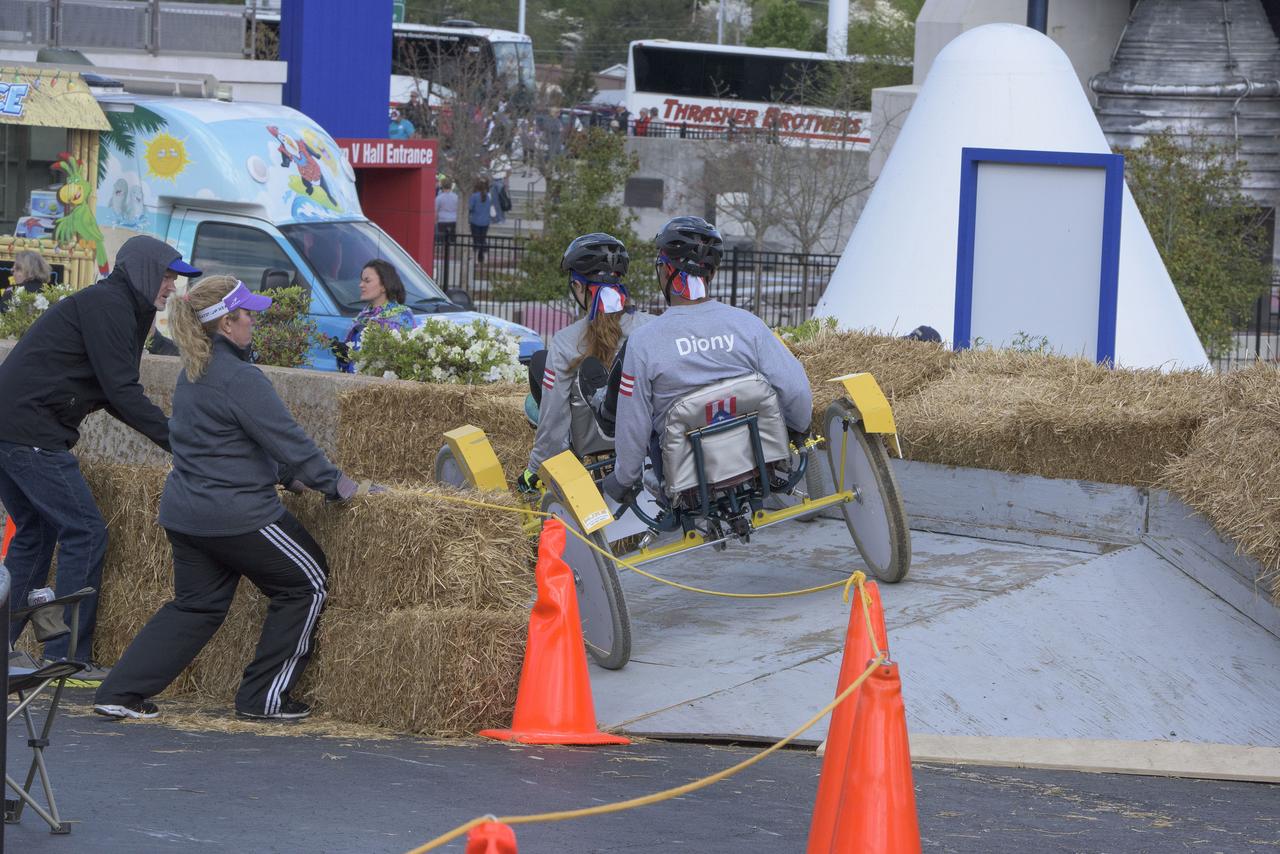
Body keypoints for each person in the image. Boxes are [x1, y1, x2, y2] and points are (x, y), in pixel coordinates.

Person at [93, 276, 372, 721]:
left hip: (185, 515)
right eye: (249, 314)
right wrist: (335, 484)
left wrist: (286, 477)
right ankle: (263, 698)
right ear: (227, 323)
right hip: (238, 515)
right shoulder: (240, 377)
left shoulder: (195, 373)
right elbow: (288, 440)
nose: (254, 322)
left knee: (195, 606)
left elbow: (224, 441)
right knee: (307, 582)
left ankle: (120, 692)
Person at [0, 235, 194, 683]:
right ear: (144, 272)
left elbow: (112, 391)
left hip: (14, 425)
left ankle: (11, 645)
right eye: (166, 276)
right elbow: (122, 391)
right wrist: (183, 444)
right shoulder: (110, 305)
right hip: (30, 430)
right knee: (84, 531)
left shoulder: (118, 305)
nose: (172, 287)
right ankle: (64, 655)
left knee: (35, 532)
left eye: (174, 279)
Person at [597, 217, 812, 503]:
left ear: (665, 271)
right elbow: (795, 389)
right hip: (758, 460)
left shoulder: (644, 342)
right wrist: (798, 428)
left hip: (685, 478)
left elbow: (632, 421)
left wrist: (624, 478)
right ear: (711, 273)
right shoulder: (749, 325)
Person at [519, 234, 651, 491]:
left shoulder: (565, 342)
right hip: (643, 436)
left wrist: (535, 469)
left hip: (591, 440)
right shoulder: (652, 327)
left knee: (539, 363)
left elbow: (553, 418)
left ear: (579, 287)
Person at [331, 259, 415, 373]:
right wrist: (343, 357)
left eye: (367, 281)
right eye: (361, 280)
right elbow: (351, 367)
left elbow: (396, 365)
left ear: (384, 286)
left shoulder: (401, 317)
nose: (361, 285)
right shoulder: (363, 316)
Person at [469, 179, 494, 265]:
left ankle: (475, 259)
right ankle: (485, 258)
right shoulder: (488, 196)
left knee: (476, 240)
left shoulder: (474, 196)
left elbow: (470, 208)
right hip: (485, 221)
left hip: (475, 221)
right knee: (483, 239)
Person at [435, 179, 459, 247]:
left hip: (442, 220)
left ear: (442, 186)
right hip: (453, 220)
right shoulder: (456, 197)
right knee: (451, 241)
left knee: (442, 241)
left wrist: (435, 221)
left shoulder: (439, 198)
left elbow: (436, 210)